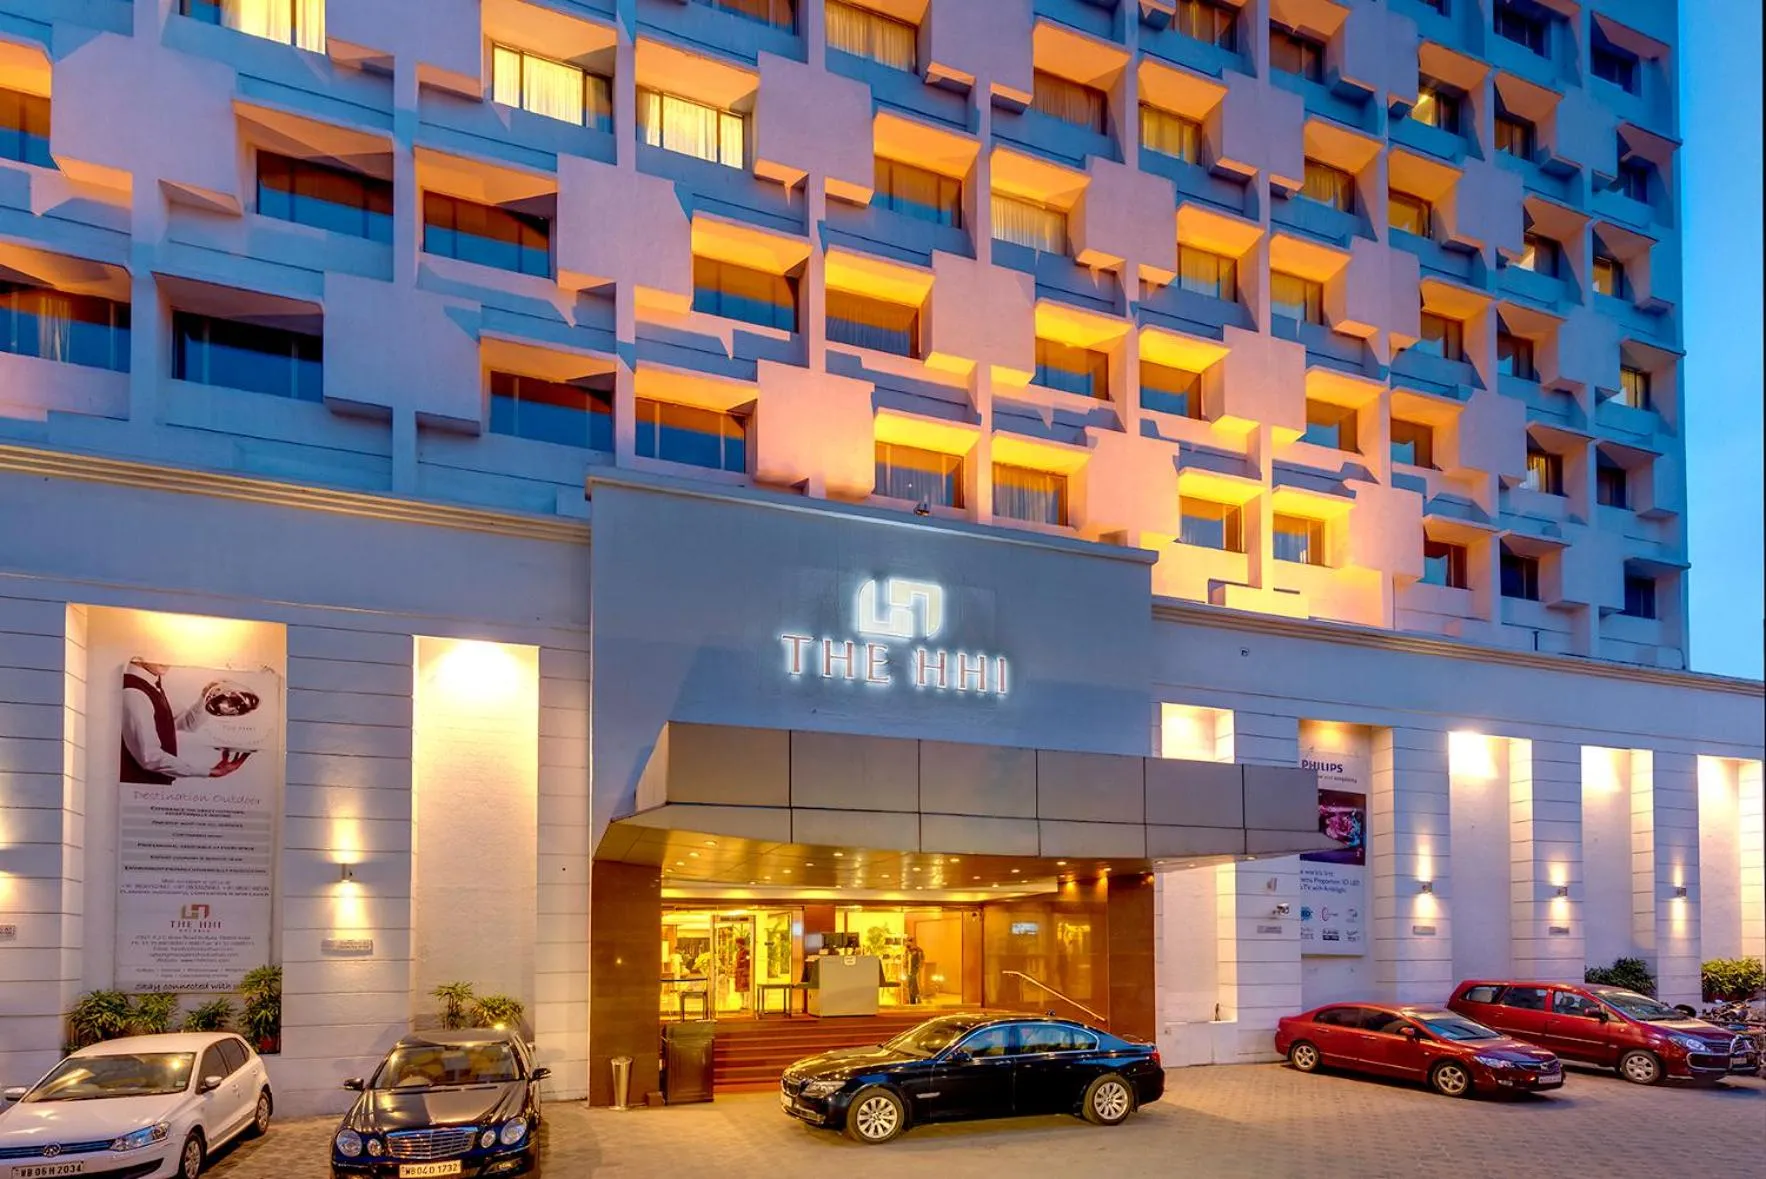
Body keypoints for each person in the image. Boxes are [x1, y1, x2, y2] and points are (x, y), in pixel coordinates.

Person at [120, 659, 252, 783]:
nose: (167, 659)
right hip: (140, 789)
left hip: (157, 789)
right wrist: (210, 771)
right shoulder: (134, 693)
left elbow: (188, 724)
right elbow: (149, 757)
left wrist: (205, 695)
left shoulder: (152, 684)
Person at [905, 937, 925, 1005]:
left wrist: (919, 968)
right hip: (908, 971)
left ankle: (918, 997)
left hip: (915, 971)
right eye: (908, 941)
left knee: (915, 985)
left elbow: (922, 961)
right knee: (910, 986)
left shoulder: (919, 951)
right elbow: (905, 961)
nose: (908, 942)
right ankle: (912, 1000)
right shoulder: (907, 951)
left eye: (910, 941)